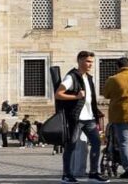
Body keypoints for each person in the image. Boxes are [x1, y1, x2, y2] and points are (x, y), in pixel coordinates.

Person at [55, 50, 109, 183]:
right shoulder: (71, 77)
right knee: (71, 145)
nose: (90, 64)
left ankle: (93, 173)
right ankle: (66, 174)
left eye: (91, 61)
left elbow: (90, 99)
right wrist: (76, 96)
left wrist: (96, 111)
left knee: (96, 143)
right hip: (76, 118)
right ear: (80, 61)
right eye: (88, 61)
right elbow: (58, 94)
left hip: (89, 118)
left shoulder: (88, 77)